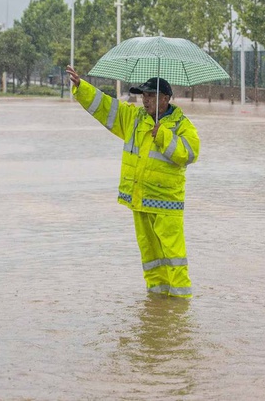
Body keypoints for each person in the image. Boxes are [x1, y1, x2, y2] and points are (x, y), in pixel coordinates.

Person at [65, 65, 200, 298]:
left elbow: (189, 154)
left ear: (165, 98)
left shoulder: (180, 124)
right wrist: (81, 87)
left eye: (150, 95)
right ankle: (157, 303)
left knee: (173, 256)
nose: (145, 100)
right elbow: (106, 107)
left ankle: (180, 305)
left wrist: (164, 136)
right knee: (150, 256)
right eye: (143, 96)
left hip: (166, 203)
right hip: (140, 200)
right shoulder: (134, 119)